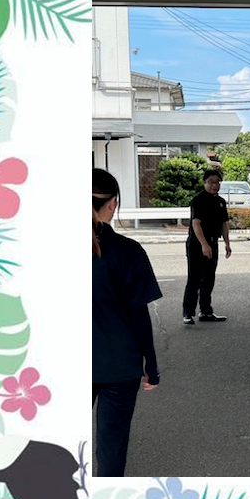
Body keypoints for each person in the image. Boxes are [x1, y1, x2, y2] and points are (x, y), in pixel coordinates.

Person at [92, 168, 161, 477]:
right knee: (111, 447)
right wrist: (152, 365)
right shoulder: (128, 252)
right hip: (120, 366)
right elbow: (138, 315)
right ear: (113, 203)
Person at [182, 168, 231, 325]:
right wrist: (204, 245)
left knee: (209, 279)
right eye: (211, 182)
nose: (214, 185)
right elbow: (196, 224)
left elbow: (224, 224)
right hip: (197, 244)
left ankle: (206, 311)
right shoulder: (198, 200)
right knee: (194, 279)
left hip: (213, 242)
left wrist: (227, 243)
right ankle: (188, 313)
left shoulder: (220, 202)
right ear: (204, 183)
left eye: (217, 182)